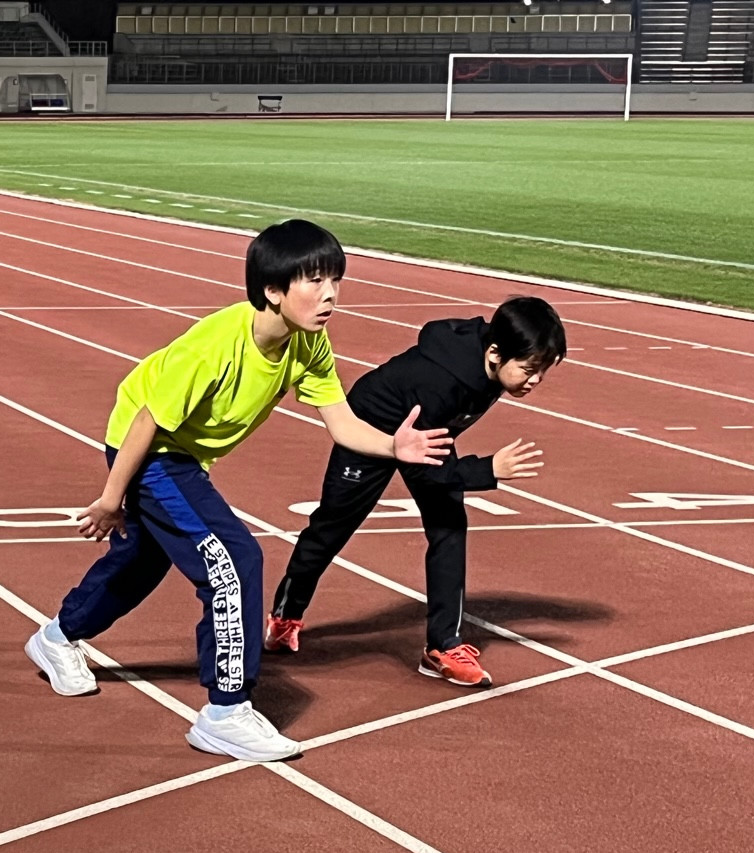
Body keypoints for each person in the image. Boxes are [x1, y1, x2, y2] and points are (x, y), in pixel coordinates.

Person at [23, 219, 451, 762]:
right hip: (150, 448)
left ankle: (57, 638)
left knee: (143, 561)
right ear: (272, 290)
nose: (331, 294)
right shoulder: (214, 346)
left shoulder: (309, 342)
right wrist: (111, 499)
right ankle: (225, 712)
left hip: (183, 454)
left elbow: (341, 422)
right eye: (315, 281)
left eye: (336, 280)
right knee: (234, 558)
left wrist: (394, 446)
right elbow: (147, 420)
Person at [265, 296, 566, 689]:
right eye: (528, 369)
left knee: (449, 527)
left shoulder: (492, 356)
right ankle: (286, 615)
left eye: (543, 371)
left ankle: (443, 647)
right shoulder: (442, 383)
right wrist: (488, 470)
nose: (535, 380)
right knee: (331, 529)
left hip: (429, 432)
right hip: (373, 427)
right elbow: (435, 473)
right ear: (494, 353)